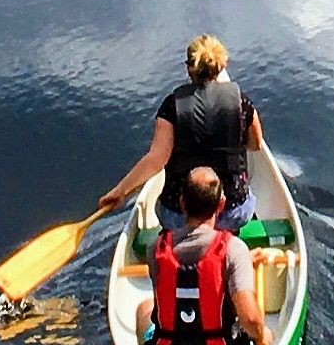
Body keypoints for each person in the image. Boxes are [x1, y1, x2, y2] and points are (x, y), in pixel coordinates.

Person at [95, 35, 262, 233]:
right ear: (221, 65)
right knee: (243, 198)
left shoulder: (171, 106)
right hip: (232, 212)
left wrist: (121, 190)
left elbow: (156, 160)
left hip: (179, 217)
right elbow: (255, 145)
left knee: (167, 210)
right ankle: (226, 237)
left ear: (188, 68)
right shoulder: (242, 103)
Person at [147, 163, 265, 345]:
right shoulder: (234, 249)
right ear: (221, 204)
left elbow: (190, 271)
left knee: (143, 309)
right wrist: (262, 334)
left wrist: (240, 262)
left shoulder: (155, 249)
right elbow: (250, 318)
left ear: (182, 204)